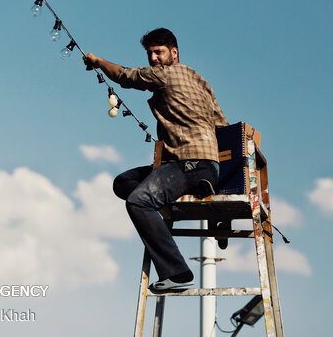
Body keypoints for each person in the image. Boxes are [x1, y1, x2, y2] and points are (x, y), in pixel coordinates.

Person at [83, 28, 228, 291]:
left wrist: (98, 62)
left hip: (189, 162)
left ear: (174, 53)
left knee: (138, 202)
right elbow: (223, 126)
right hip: (203, 165)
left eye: (158, 52)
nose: (153, 58)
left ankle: (178, 273)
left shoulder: (166, 73)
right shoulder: (201, 81)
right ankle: (187, 189)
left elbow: (124, 76)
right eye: (150, 53)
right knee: (123, 182)